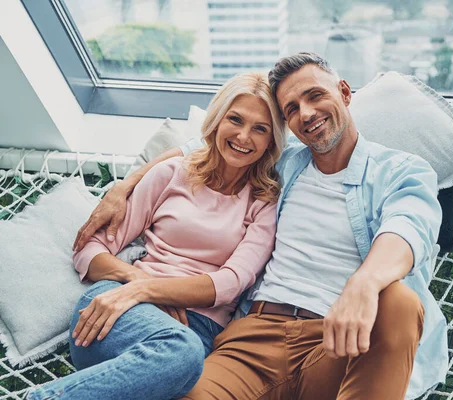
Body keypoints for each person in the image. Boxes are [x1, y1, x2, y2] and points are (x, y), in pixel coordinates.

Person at [73, 52, 449, 400]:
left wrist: (364, 283)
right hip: (252, 339)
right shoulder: (281, 165)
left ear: (345, 93)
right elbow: (204, 147)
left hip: (337, 341)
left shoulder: (400, 170)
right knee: (184, 386)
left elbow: (408, 228)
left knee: (397, 302)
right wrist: (125, 184)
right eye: (292, 109)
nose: (306, 113)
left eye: (315, 96)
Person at [27, 72, 287, 400]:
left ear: (272, 140)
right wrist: (136, 284)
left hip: (195, 331)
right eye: (235, 119)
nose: (244, 136)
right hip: (114, 310)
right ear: (217, 120)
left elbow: (231, 283)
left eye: (260, 128)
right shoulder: (171, 174)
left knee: (182, 356)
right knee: (183, 353)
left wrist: (154, 291)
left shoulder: (265, 202)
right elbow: (89, 251)